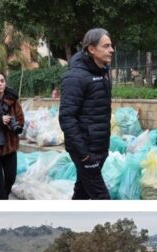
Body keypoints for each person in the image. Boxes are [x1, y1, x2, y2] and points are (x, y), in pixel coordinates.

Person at [59, 27, 114, 200]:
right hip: (85, 151)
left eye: (111, 45)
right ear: (91, 49)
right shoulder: (75, 77)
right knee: (101, 197)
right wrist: (84, 154)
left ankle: (67, 225)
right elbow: (66, 117)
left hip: (99, 147)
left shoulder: (103, 73)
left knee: (82, 192)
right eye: (106, 46)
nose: (111, 50)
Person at [0, 70, 24, 200]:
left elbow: (20, 118)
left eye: (2, 81)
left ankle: (3, 198)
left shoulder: (12, 99)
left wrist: (16, 124)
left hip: (10, 146)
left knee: (10, 178)